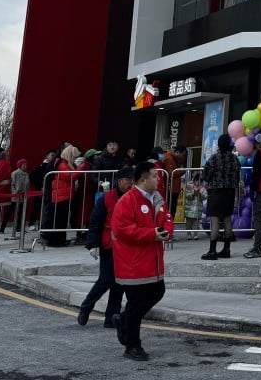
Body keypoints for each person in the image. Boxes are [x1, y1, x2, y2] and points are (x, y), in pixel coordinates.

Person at [110, 161, 172, 361]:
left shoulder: (157, 198)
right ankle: (132, 345)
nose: (158, 178)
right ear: (144, 179)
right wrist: (151, 234)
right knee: (136, 304)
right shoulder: (128, 201)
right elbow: (122, 230)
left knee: (158, 291)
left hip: (153, 261)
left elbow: (166, 218)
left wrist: (166, 231)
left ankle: (124, 320)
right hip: (133, 263)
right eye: (154, 176)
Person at [77, 166, 134, 328]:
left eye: (132, 181)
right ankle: (86, 307)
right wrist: (93, 244)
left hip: (126, 246)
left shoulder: (133, 198)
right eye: (127, 181)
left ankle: (112, 317)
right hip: (109, 245)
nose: (129, 184)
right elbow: (95, 222)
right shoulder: (106, 199)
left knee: (119, 283)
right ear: (119, 181)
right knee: (106, 279)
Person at [202, 134, 241, 260]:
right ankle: (227, 249)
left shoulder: (214, 158)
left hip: (216, 192)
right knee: (227, 219)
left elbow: (206, 176)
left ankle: (212, 251)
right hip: (230, 192)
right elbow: (237, 175)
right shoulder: (234, 159)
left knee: (215, 220)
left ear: (218, 144)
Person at [44, 146, 78, 247]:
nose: (75, 158)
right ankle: (56, 241)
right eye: (74, 156)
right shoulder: (63, 164)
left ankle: (61, 239)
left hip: (63, 194)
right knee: (59, 219)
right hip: (61, 195)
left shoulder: (64, 163)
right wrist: (80, 169)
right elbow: (69, 177)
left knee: (62, 219)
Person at [162, 145, 187, 217]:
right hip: (171, 189)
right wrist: (181, 171)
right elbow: (170, 173)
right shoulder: (169, 158)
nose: (183, 157)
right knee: (170, 210)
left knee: (172, 209)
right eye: (183, 155)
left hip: (174, 188)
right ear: (178, 153)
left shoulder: (173, 159)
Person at [7, 160, 30, 234]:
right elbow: (12, 183)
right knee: (10, 211)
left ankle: (19, 228)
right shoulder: (15, 173)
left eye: (26, 164)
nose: (25, 166)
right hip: (16, 195)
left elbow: (27, 184)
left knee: (21, 212)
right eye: (24, 165)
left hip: (24, 195)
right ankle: (3, 227)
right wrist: (14, 192)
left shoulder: (26, 174)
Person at [184, 172, 203, 240]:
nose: (198, 183)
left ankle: (195, 234)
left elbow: (205, 196)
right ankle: (188, 234)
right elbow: (187, 196)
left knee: (196, 223)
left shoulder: (202, 188)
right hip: (189, 209)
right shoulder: (189, 187)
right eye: (196, 181)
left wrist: (201, 195)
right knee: (188, 223)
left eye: (199, 182)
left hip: (197, 209)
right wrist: (192, 194)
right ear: (194, 180)